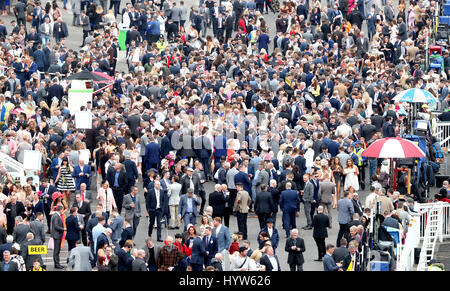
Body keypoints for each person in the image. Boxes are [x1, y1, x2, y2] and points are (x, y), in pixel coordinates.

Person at [50, 205, 66, 269]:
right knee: (56, 251)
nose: (63, 211)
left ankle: (57, 263)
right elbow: (56, 226)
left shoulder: (56, 215)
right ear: (60, 210)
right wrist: (63, 229)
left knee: (57, 250)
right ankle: (57, 264)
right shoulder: (56, 216)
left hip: (57, 235)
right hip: (57, 235)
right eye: (62, 210)